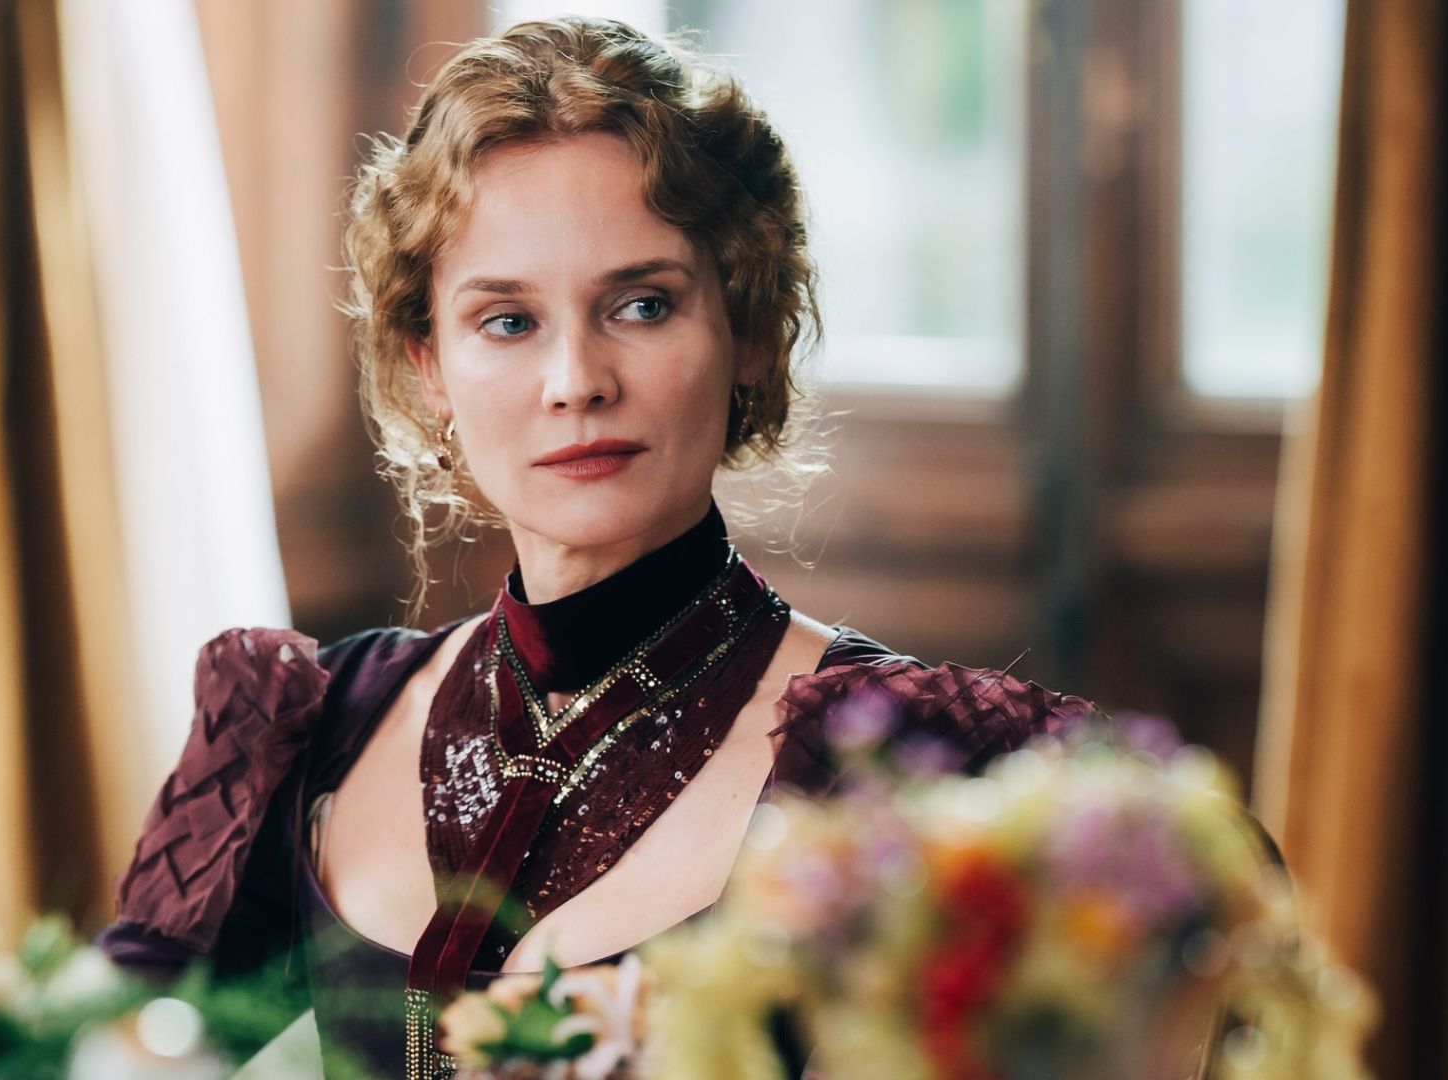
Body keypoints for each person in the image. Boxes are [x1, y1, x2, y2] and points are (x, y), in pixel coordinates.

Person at [99, 16, 1090, 1079]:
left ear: (749, 327)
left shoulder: (918, 760)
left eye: (642, 304)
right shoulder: (302, 727)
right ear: (427, 361)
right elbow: (98, 1058)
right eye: (508, 322)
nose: (576, 378)